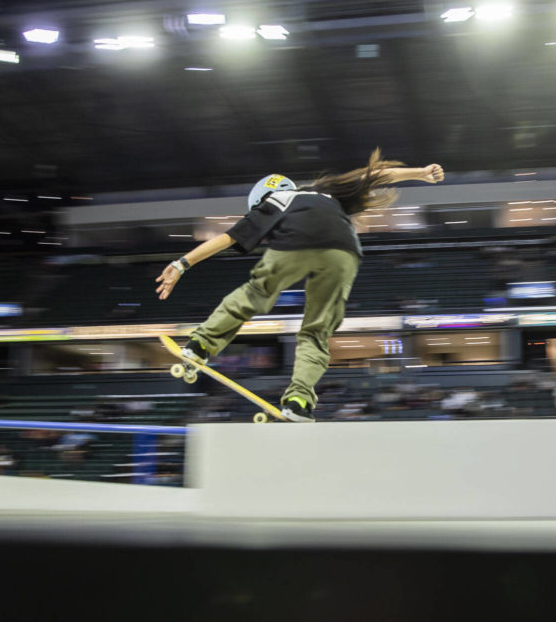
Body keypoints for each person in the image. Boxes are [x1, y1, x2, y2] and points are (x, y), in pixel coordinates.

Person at [155, 149, 444, 422]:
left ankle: (201, 343)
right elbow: (373, 175)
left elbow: (228, 238)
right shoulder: (325, 191)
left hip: (296, 243)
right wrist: (420, 172)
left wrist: (182, 264)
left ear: (262, 199)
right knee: (317, 330)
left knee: (256, 294)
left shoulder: (273, 203)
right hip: (344, 250)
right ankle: (299, 401)